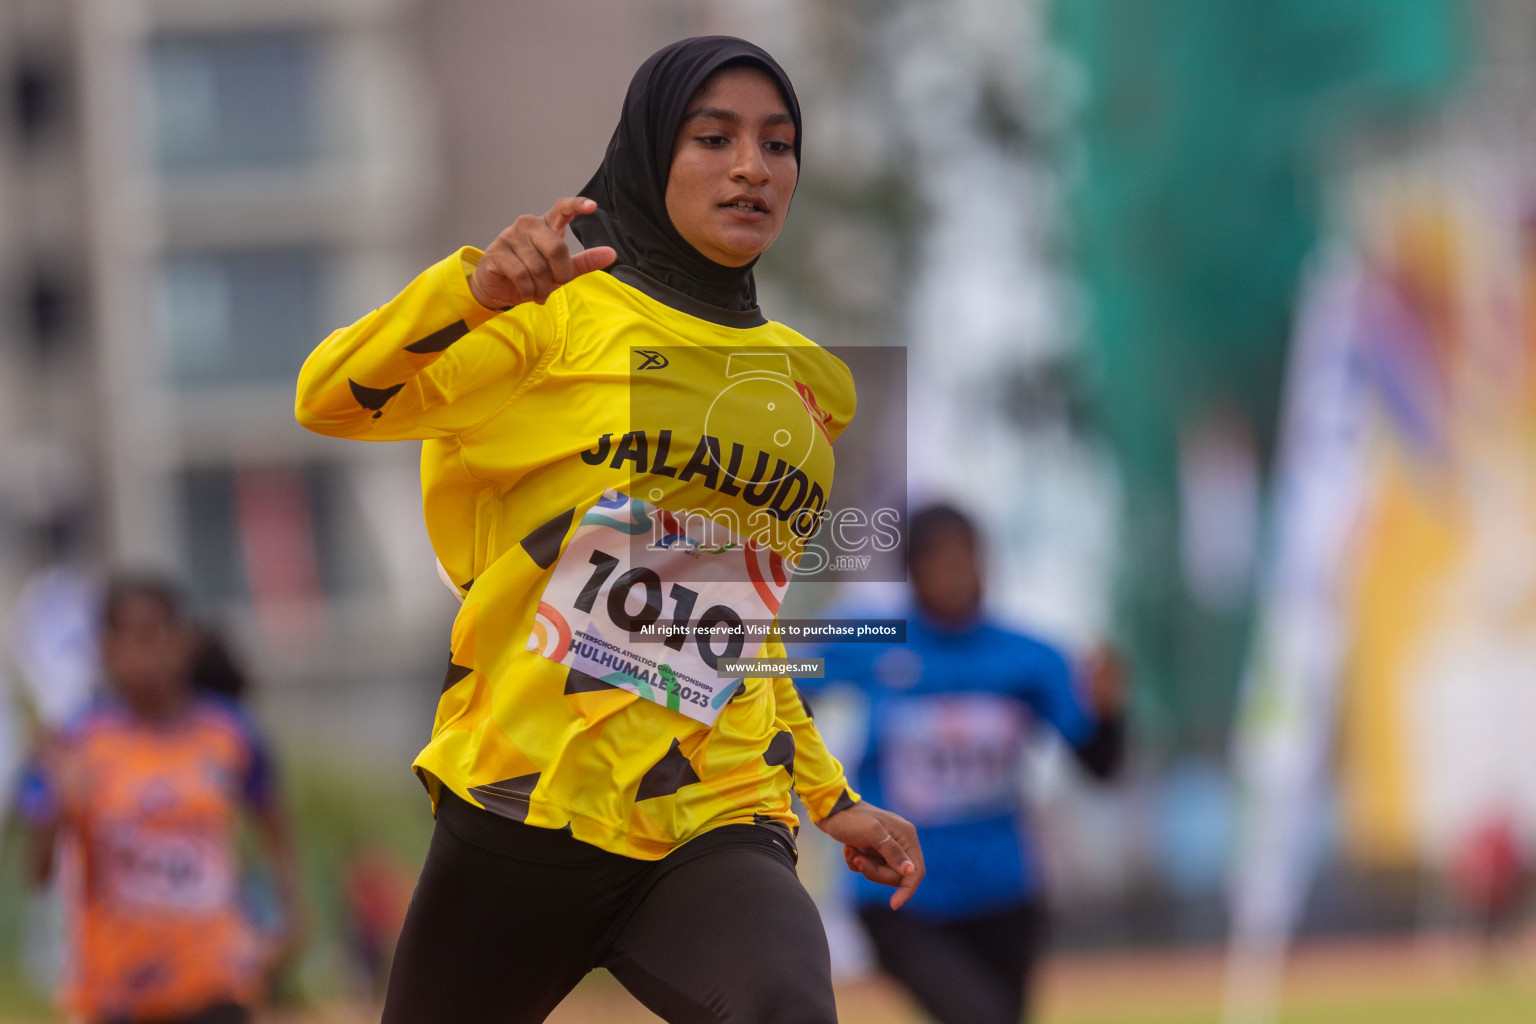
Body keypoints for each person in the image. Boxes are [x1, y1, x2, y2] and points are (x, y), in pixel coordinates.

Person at [295, 35, 923, 1024]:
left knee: (788, 1009)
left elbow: (732, 620)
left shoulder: (811, 383)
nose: (753, 167)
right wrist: (473, 293)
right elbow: (328, 399)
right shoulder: (551, 317)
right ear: (646, 153)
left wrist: (826, 794)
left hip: (711, 817)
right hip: (524, 807)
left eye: (779, 143)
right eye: (713, 138)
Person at [809, 503, 1127, 1024]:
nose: (956, 573)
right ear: (911, 570)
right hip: (901, 893)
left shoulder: (1029, 656)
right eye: (939, 559)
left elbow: (1101, 761)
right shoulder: (873, 638)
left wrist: (1110, 712)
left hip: (1003, 892)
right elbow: (778, 675)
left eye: (968, 557)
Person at [20, 576, 304, 1024]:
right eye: (125, 641)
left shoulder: (230, 734)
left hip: (216, 985)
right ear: (103, 650)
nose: (141, 657)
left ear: (183, 642)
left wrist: (290, 925)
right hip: (117, 994)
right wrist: (57, 806)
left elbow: (276, 830)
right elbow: (38, 877)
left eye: (152, 637)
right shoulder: (77, 742)